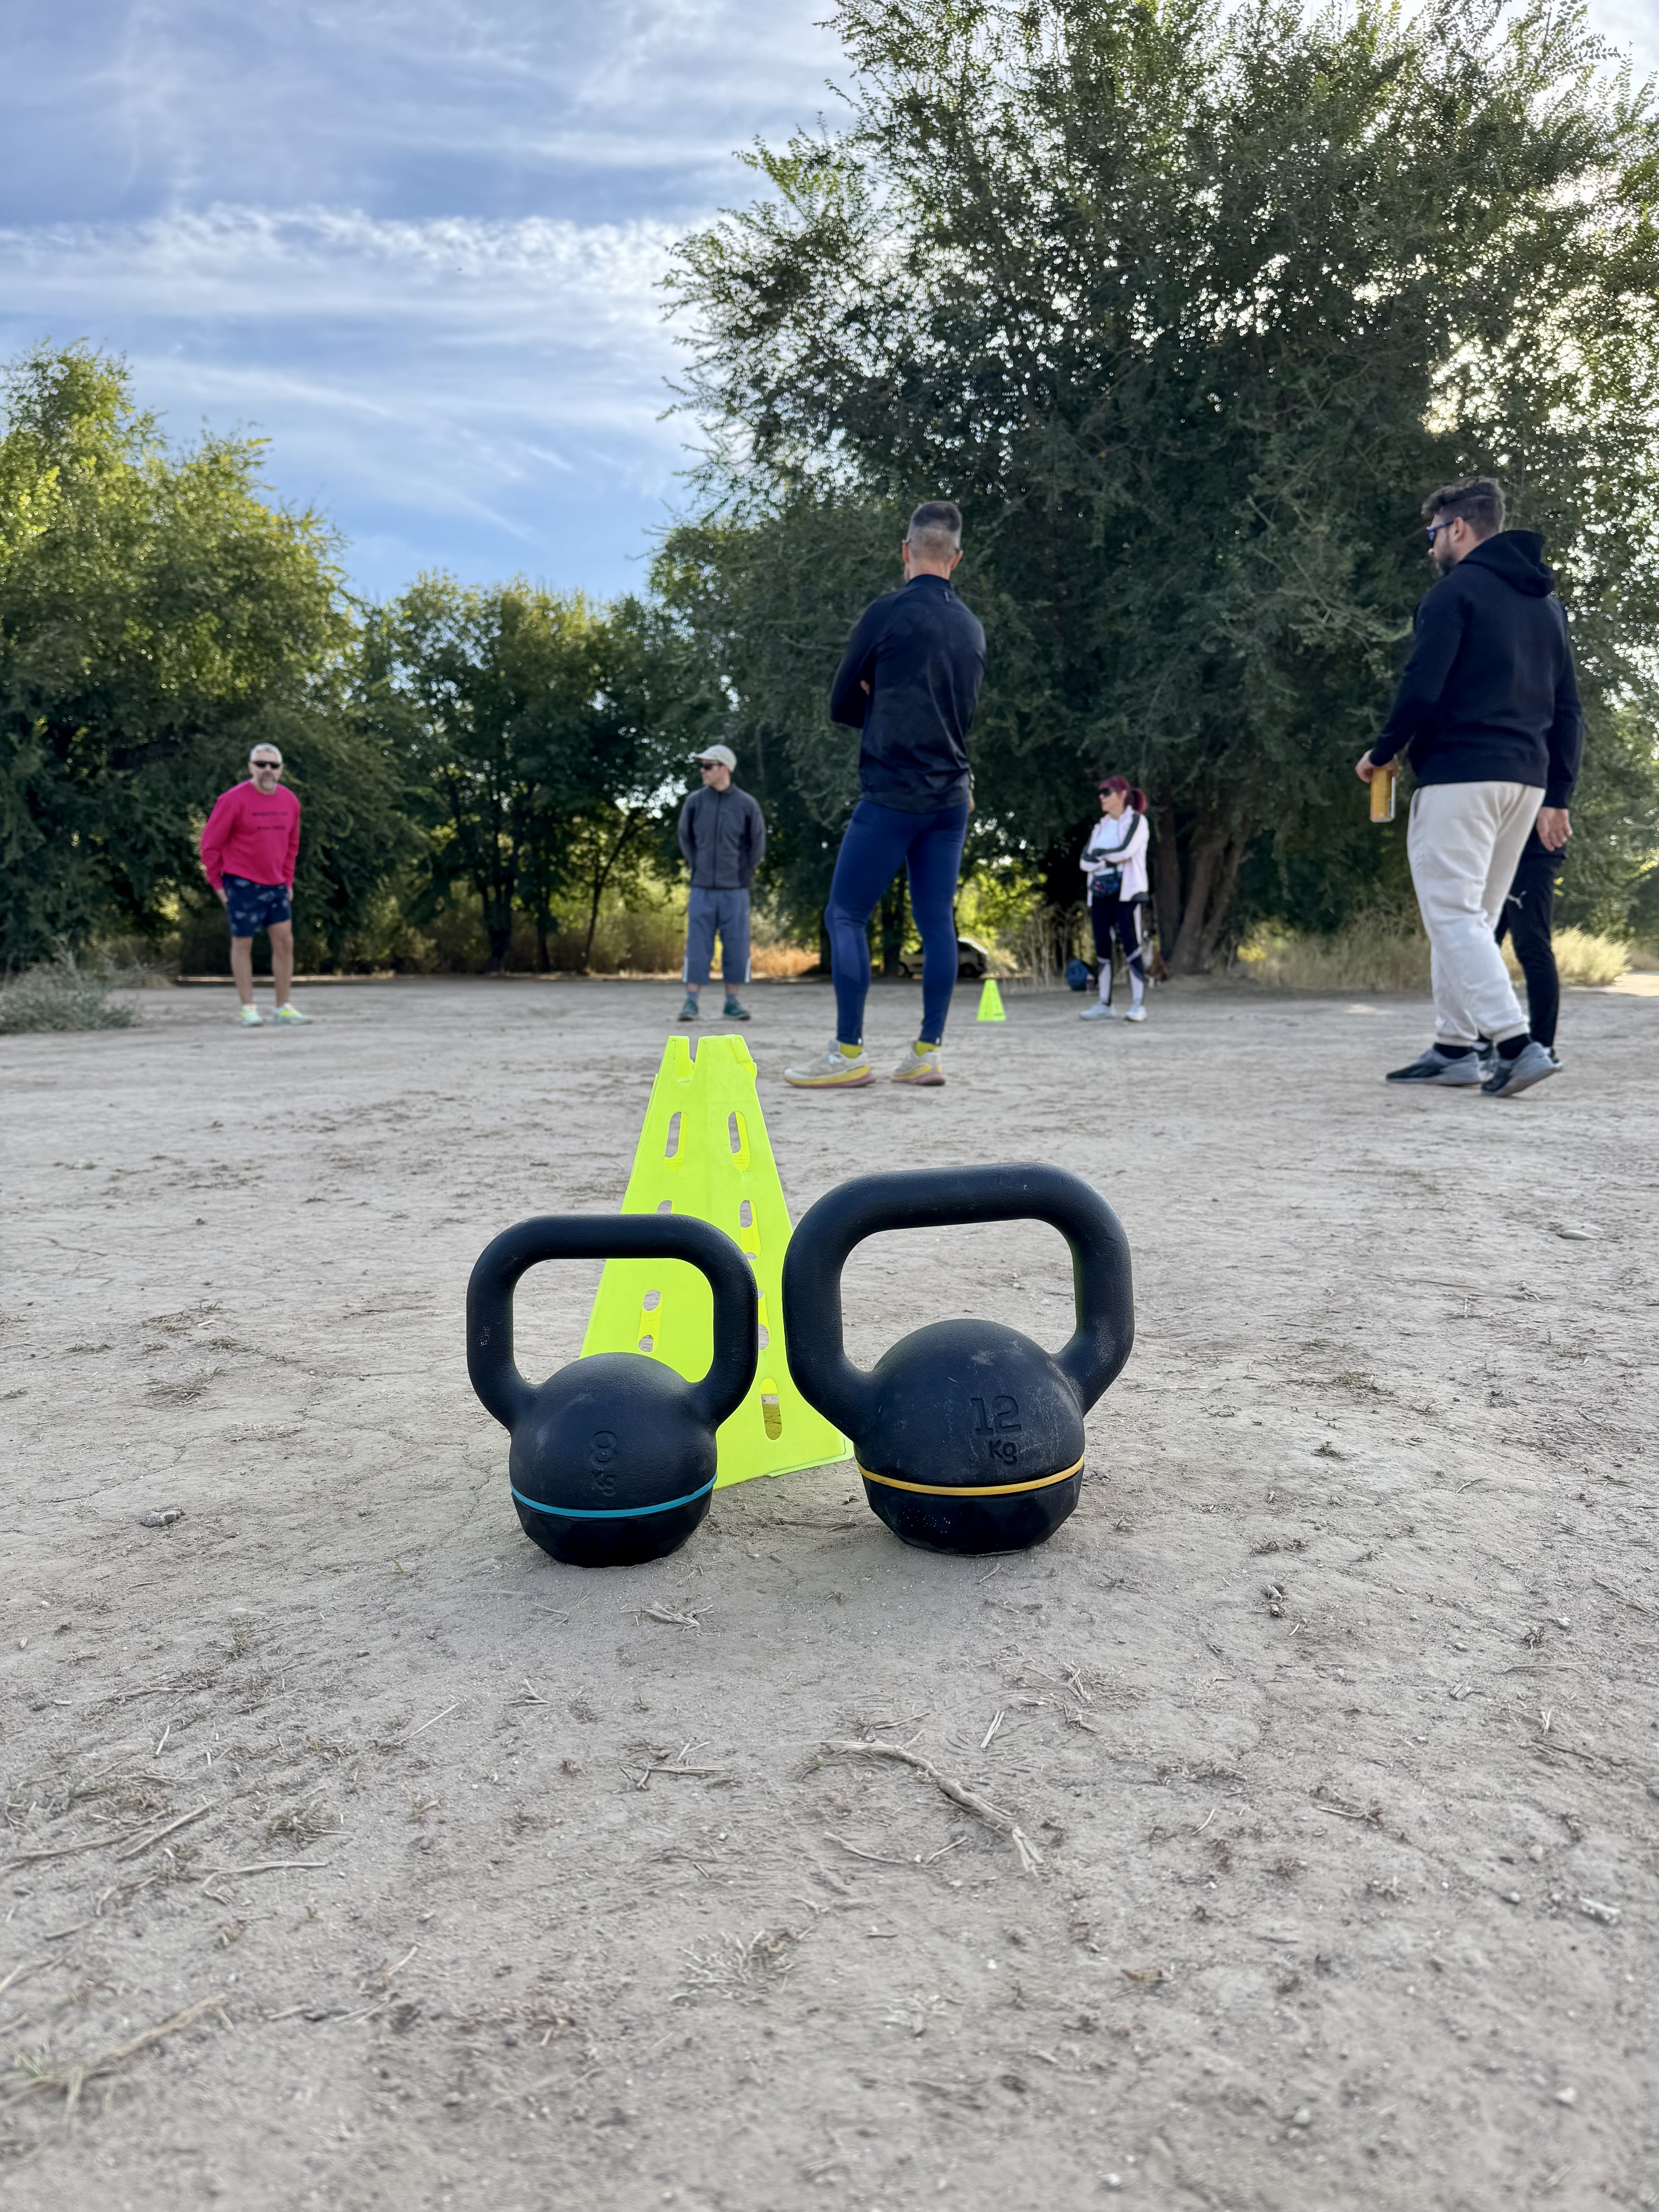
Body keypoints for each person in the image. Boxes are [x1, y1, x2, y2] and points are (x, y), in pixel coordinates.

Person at [1357, 476, 1580, 1099]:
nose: (1431, 548)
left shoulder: (1455, 594)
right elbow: (1570, 710)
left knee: (1452, 912)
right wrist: (1559, 791)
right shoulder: (1548, 607)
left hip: (1462, 775)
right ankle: (1455, 1047)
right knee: (1474, 918)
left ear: (1459, 528)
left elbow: (1422, 686)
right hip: (1526, 781)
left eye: (1433, 535)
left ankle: (1513, 1044)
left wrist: (1381, 753)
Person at [784, 500, 986, 1090]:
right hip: (951, 799)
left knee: (846, 913)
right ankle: (927, 1052)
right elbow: (960, 715)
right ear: (957, 557)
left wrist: (878, 695)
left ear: (906, 552)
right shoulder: (972, 628)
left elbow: (840, 703)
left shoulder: (887, 614)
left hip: (893, 792)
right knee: (938, 923)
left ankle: (848, 1052)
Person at [199, 745, 309, 1027]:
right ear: (251, 768)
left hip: (276, 884)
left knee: (285, 942)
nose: (268, 771)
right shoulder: (233, 800)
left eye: (273, 766)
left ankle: (283, 1007)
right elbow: (210, 845)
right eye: (261, 765)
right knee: (243, 942)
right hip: (240, 882)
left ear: (281, 770)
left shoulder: (290, 801)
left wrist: (288, 880)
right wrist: (218, 885)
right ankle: (248, 1008)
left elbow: (292, 845)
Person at [677, 745, 765, 1023]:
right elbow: (685, 838)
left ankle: (732, 1002)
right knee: (697, 945)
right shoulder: (694, 802)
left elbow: (757, 844)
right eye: (701, 766)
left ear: (724, 769)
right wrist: (697, 867)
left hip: (735, 891)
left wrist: (743, 873)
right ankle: (691, 1003)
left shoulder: (747, 805)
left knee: (737, 945)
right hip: (702, 888)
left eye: (707, 766)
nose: (702, 771)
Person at [1480, 823, 1566, 1070]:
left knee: (1531, 945)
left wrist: (1557, 802)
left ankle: (1542, 1046)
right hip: (1493, 848)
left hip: (1535, 846)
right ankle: (1479, 1043)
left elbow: (1562, 782)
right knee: (1483, 943)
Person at [1078, 778, 1152, 1023]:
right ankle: (1104, 1004)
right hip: (1100, 892)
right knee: (1101, 946)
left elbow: (1126, 851)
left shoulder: (1137, 822)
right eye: (1100, 793)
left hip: (1127, 892)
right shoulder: (1100, 827)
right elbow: (1084, 861)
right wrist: (1105, 860)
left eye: (1106, 792)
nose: (1101, 797)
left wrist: (1101, 857)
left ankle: (1138, 1004)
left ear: (1122, 795)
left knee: (1132, 944)